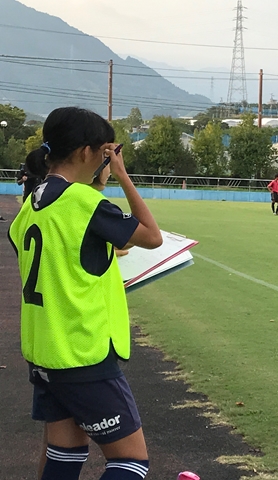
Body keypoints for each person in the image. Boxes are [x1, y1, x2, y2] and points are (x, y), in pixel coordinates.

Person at [8, 106, 162, 480]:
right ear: (84, 152)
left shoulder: (32, 205)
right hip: (82, 353)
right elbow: (153, 237)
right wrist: (123, 175)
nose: (108, 157)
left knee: (66, 452)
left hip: (45, 351)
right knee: (130, 461)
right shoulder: (85, 203)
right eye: (106, 150)